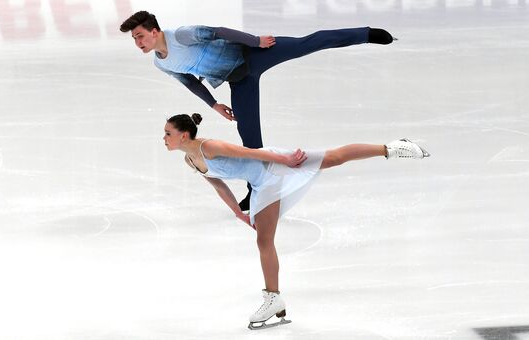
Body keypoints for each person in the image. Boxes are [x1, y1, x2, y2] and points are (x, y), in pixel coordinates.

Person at [163, 113, 430, 329]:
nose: (164, 138)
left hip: (270, 169)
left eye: (168, 133)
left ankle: (393, 148)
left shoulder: (208, 147)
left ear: (183, 135)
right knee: (330, 162)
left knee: (265, 239)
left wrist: (284, 159)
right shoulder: (191, 160)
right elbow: (218, 185)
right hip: (261, 180)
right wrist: (237, 212)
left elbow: (249, 152)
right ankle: (274, 297)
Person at [121, 11, 396, 212]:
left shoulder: (181, 35)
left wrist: (255, 41)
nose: (138, 43)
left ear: (154, 31)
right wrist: (214, 104)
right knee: (250, 138)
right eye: (135, 39)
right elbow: (190, 82)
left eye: (140, 36)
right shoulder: (162, 64)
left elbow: (219, 31)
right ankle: (256, 190)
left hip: (253, 53)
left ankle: (365, 34)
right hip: (239, 80)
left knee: (306, 43)